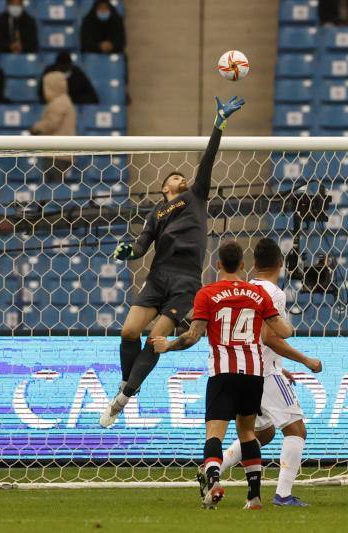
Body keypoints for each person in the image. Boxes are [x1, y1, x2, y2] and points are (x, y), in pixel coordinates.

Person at [99, 96, 245, 429]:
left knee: (155, 338)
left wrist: (219, 123)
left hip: (185, 281)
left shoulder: (196, 196)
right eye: (176, 178)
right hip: (158, 276)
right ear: (165, 187)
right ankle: (129, 384)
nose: (182, 179)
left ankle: (122, 399)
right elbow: (142, 245)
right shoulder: (156, 213)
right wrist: (129, 253)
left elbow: (208, 159)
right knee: (129, 331)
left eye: (183, 176)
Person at [151, 241, 294, 510]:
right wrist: (277, 319)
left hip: (222, 371)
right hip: (253, 373)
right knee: (248, 432)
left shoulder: (207, 294)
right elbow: (284, 331)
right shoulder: (257, 294)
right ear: (242, 265)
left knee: (214, 434)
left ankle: (214, 480)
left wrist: (167, 345)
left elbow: (193, 335)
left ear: (218, 265)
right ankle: (254, 497)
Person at [216, 238, 323, 507]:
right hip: (264, 373)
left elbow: (253, 336)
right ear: (281, 264)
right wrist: (305, 360)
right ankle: (283, 495)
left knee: (263, 434)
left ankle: (214, 469)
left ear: (253, 264)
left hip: (245, 369)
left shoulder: (246, 288)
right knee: (296, 430)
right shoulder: (274, 293)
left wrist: (281, 367)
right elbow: (269, 337)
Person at [31, 72, 76, 136]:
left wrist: (36, 128)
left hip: (59, 140)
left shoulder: (59, 103)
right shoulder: (63, 100)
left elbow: (51, 124)